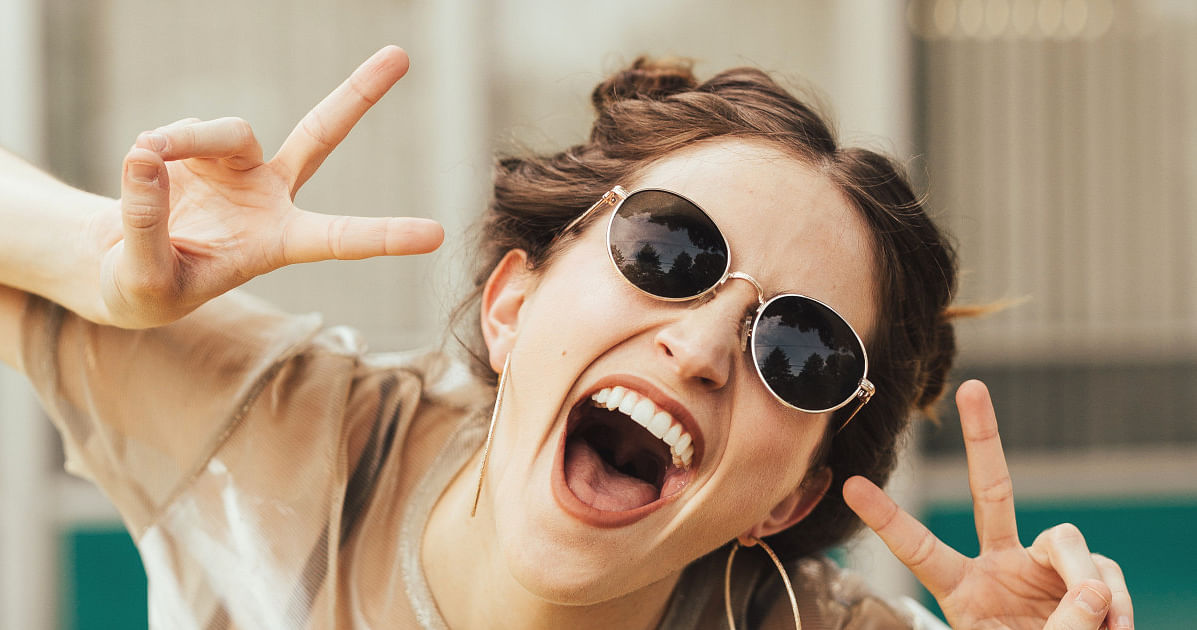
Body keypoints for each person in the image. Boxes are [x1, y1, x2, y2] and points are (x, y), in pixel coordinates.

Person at [0, 46, 1132, 630]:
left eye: (800, 352)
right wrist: (102, 266)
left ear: (788, 502)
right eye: (670, 251)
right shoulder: (283, 434)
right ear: (512, 303)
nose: (698, 348)